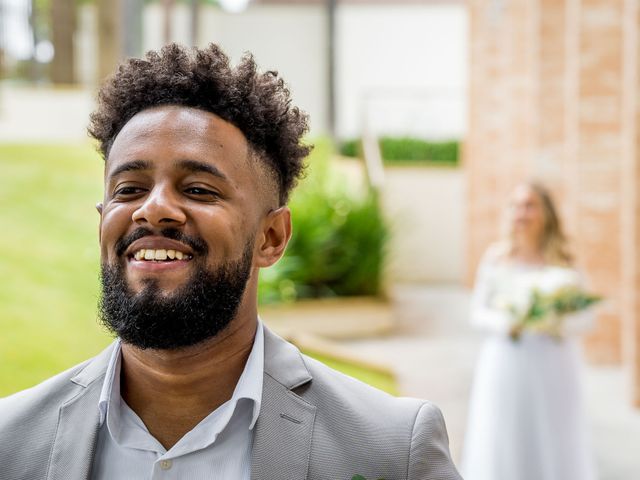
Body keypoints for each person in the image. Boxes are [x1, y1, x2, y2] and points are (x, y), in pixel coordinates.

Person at [0, 44, 461, 480]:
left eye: (198, 189)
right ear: (102, 222)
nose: (153, 208)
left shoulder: (389, 448)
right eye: (129, 189)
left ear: (271, 237)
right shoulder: (11, 443)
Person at [460, 182, 596, 480]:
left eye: (530, 205)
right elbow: (477, 313)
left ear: (545, 213)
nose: (522, 212)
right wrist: (508, 323)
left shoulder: (565, 261)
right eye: (516, 205)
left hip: (554, 366)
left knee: (553, 434)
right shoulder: (497, 258)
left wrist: (553, 322)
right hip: (506, 362)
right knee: (507, 432)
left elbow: (587, 318)